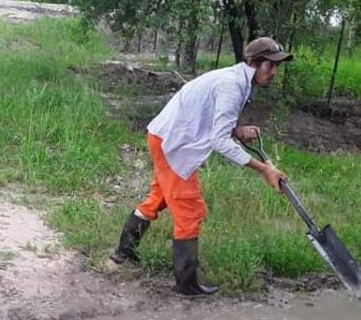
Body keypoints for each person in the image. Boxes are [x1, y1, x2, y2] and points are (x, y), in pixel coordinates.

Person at [110, 37, 292, 296]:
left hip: (166, 137)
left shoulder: (239, 80)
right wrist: (263, 168)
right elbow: (218, 141)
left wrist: (236, 130)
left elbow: (212, 119)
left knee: (159, 198)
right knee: (189, 210)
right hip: (173, 143)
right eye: (269, 66)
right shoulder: (232, 84)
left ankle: (123, 253)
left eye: (277, 67)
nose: (274, 72)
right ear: (252, 63)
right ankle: (186, 285)